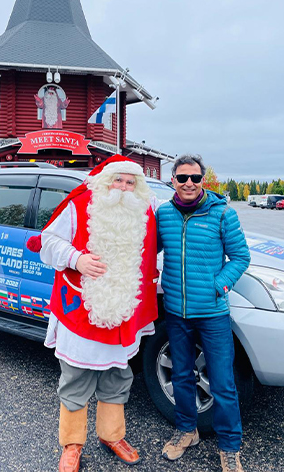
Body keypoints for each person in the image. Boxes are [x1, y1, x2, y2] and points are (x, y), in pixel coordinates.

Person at [38, 155, 161, 472]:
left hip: (124, 315)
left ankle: (111, 435)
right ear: (105, 181)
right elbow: (47, 241)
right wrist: (77, 259)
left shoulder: (145, 211)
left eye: (130, 182)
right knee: (76, 378)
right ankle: (72, 444)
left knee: (118, 377)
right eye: (118, 180)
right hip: (80, 311)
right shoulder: (80, 204)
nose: (123, 187)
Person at [156, 153, 251, 472]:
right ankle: (187, 431)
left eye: (195, 178)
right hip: (176, 313)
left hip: (212, 314)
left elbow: (240, 257)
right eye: (182, 178)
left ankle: (229, 448)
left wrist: (218, 285)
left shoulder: (223, 214)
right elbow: (144, 248)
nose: (188, 184)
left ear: (202, 181)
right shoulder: (164, 214)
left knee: (223, 383)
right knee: (182, 375)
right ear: (173, 180)